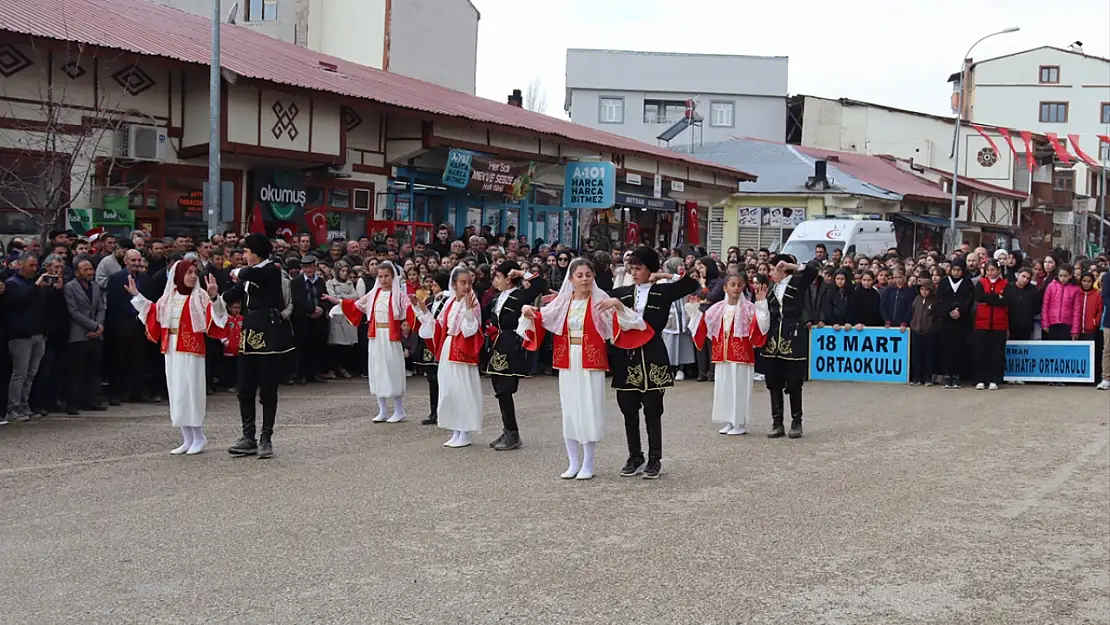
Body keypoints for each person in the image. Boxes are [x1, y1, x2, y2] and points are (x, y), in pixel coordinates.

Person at [518, 258, 652, 480]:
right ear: (570, 279)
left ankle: (588, 462)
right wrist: (527, 311)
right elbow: (543, 317)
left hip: (591, 361)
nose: (584, 279)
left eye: (588, 275)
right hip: (568, 360)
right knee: (569, 409)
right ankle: (573, 462)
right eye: (579, 275)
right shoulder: (563, 302)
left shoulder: (601, 301)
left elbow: (631, 322)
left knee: (588, 409)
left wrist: (618, 306)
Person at [608, 246, 698, 479]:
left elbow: (691, 285)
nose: (635, 272)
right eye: (632, 268)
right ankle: (634, 455)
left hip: (652, 354)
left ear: (650, 269)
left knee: (652, 409)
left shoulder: (663, 292)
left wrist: (665, 275)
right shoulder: (623, 292)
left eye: (640, 268)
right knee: (628, 408)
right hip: (626, 356)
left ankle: (655, 458)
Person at [127, 261, 227, 454]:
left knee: (192, 391)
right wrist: (137, 296)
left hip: (191, 348)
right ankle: (186, 437)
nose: (192, 276)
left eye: (194, 272)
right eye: (188, 272)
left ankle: (199, 436)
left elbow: (217, 315)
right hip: (171, 347)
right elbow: (152, 312)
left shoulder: (200, 296)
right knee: (177, 391)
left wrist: (214, 296)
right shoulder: (169, 298)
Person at [220, 233, 295, 459]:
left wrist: (236, 272)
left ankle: (266, 437)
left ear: (256, 253)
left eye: (246, 252)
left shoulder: (270, 270)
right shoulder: (250, 276)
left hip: (268, 332)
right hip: (249, 329)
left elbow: (247, 273)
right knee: (245, 386)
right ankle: (248, 436)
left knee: (268, 387)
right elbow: (233, 294)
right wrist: (217, 294)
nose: (244, 256)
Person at [330, 260, 412, 422]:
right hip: (376, 336)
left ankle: (399, 409)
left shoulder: (399, 296)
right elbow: (357, 305)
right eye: (380, 276)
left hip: (391, 337)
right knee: (377, 370)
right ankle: (382, 409)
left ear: (393, 276)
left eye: (386, 276)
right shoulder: (374, 294)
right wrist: (338, 303)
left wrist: (407, 322)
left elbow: (409, 312)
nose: (383, 279)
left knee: (392, 370)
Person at [688, 273, 770, 435]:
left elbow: (762, 325)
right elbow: (703, 325)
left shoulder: (749, 308)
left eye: (739, 285)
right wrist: (694, 311)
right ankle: (728, 420)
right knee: (724, 388)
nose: (736, 288)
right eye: (732, 284)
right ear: (725, 287)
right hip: (722, 355)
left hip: (741, 356)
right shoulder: (718, 308)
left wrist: (761, 303)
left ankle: (739, 423)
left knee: (738, 389)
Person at [413, 266, 484, 448]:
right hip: (448, 348)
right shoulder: (451, 303)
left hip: (462, 351)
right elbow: (439, 326)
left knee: (463, 391)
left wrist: (468, 310)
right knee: (449, 390)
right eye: (462, 283)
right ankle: (455, 430)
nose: (467, 286)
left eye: (469, 282)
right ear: (454, 284)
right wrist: (423, 311)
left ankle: (465, 432)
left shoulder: (473, 303)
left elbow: (471, 330)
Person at [483, 260, 547, 451]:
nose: (495, 280)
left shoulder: (520, 295)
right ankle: (507, 428)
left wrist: (521, 273)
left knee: (505, 388)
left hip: (511, 345)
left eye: (499, 277)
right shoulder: (496, 298)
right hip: (496, 344)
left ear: (508, 279)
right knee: (498, 388)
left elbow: (540, 285)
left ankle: (513, 432)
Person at [760, 255, 820, 439]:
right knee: (773, 382)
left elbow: (813, 271)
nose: (770, 273)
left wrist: (791, 266)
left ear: (782, 269)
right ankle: (777, 422)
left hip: (792, 335)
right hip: (773, 339)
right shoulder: (771, 289)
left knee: (794, 382)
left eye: (773, 269)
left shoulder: (797, 283)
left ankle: (796, 421)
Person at [2, 253, 54, 422]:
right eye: (31, 265)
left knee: (31, 374)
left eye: (35, 265)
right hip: (20, 335)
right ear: (20, 265)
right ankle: (13, 407)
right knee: (20, 373)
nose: (34, 269)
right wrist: (36, 286)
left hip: (38, 333)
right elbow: (18, 302)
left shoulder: (35, 285)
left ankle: (25, 404)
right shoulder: (12, 284)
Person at [63, 259, 107, 414]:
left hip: (96, 334)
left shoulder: (95, 286)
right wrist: (93, 326)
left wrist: (99, 326)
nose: (90, 272)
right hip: (78, 334)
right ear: (77, 272)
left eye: (91, 269)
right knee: (76, 371)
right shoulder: (70, 287)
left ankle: (90, 400)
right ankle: (72, 403)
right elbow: (73, 311)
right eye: (86, 270)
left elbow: (101, 308)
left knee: (93, 370)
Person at [412, 271, 451, 424]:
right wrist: (417, 306)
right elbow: (423, 318)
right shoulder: (429, 300)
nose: (432, 288)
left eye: (435, 285)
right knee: (431, 377)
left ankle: (444, 410)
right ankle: (433, 411)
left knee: (442, 378)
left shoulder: (448, 300)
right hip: (429, 342)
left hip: (441, 340)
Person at [935, 259, 975, 389]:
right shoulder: (944, 282)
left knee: (959, 348)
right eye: (954, 270)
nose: (956, 273)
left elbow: (969, 300)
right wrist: (949, 310)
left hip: (961, 321)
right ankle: (947, 374)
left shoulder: (967, 283)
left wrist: (960, 311)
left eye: (959, 270)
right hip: (946, 321)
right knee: (946, 348)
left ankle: (957, 375)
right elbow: (940, 300)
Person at [972, 260, 1011, 391]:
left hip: (999, 324)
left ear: (998, 270)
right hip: (982, 323)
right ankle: (980, 379)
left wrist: (992, 298)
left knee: (997, 353)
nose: (990, 272)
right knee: (981, 352)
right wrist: (995, 297)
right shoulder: (981, 283)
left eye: (993, 270)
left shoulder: (1005, 284)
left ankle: (995, 379)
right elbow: (979, 297)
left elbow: (1006, 300)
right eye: (988, 270)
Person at [325, 262, 359, 379]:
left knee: (347, 343)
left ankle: (344, 367)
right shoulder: (331, 283)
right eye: (342, 271)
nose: (344, 273)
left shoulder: (350, 283)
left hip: (348, 315)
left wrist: (342, 298)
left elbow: (355, 296)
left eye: (346, 271)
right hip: (336, 315)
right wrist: (344, 298)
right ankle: (333, 367)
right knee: (335, 343)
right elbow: (332, 297)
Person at [909, 277, 938, 386]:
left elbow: (937, 316)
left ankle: (928, 378)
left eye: (927, 289)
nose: (924, 292)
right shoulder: (916, 300)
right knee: (917, 355)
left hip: (929, 331)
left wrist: (933, 326)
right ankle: (917, 377)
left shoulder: (934, 301)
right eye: (922, 289)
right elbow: (913, 313)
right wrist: (913, 324)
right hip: (916, 330)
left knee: (929, 356)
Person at [1041, 264, 1081, 341]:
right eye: (1061, 275)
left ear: (1070, 276)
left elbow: (1077, 311)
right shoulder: (1051, 287)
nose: (1062, 278)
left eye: (1065, 276)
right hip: (1052, 323)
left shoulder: (1075, 289)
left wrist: (1075, 330)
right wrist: (1045, 324)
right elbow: (1045, 306)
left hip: (1067, 324)